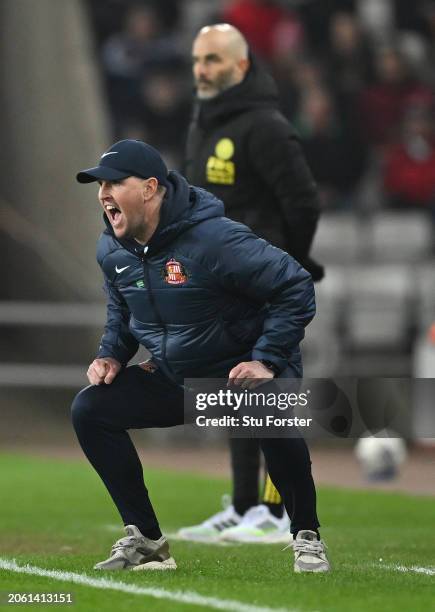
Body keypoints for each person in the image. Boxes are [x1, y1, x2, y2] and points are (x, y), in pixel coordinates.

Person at [71, 138, 330, 573]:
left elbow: (295, 286)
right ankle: (147, 541)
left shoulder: (215, 239)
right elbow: (120, 307)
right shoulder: (111, 250)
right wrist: (111, 355)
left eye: (115, 183)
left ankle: (307, 535)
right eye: (100, 185)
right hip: (180, 380)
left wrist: (265, 360)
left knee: (270, 414)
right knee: (90, 409)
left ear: (151, 188)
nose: (103, 194)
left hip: (239, 377)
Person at [181, 23, 324, 543]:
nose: (202, 69)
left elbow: (303, 201)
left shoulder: (264, 126)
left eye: (214, 59)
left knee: (274, 391)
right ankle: (246, 508)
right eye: (199, 59)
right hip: (221, 284)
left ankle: (279, 510)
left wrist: (290, 260)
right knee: (236, 389)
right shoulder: (203, 122)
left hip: (262, 281)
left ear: (241, 67)